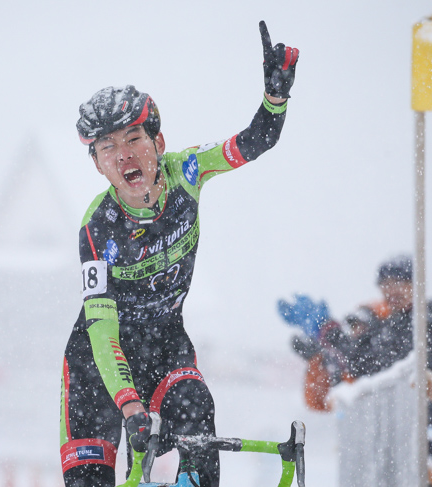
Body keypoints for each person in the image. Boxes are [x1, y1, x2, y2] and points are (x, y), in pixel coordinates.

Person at [59, 21, 299, 487]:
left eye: (132, 139)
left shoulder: (188, 170)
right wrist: (128, 402)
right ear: (96, 163)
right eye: (106, 147)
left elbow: (254, 142)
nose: (122, 156)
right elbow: (102, 326)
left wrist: (275, 99)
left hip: (165, 342)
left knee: (196, 410)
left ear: (158, 143)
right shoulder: (96, 228)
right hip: (96, 362)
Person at [279, 255, 432, 468]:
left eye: (399, 283)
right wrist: (321, 354)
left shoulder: (421, 321)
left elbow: (373, 363)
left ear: (415, 285)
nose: (391, 291)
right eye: (385, 285)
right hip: (396, 446)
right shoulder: (395, 325)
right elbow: (347, 376)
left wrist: (328, 332)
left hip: (420, 445)